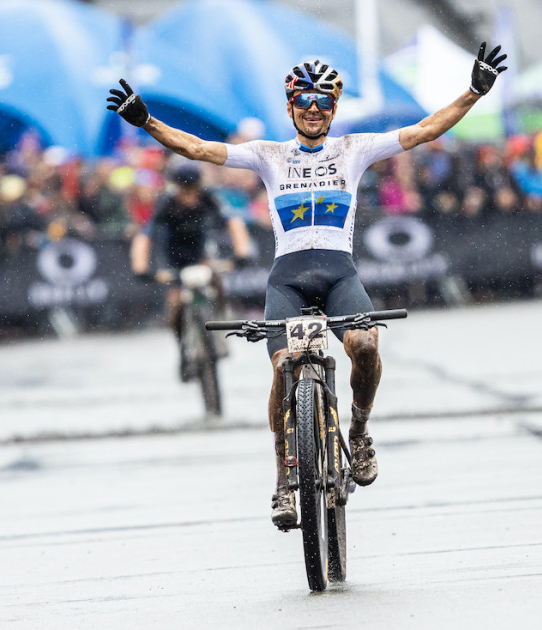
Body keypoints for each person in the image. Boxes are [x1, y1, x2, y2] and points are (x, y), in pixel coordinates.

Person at [108, 42, 507, 527]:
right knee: (282, 368)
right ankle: (282, 483)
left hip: (339, 274)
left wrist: (472, 93)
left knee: (363, 342)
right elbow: (197, 149)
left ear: (334, 108)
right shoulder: (267, 155)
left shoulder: (354, 149)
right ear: (291, 107)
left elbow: (424, 130)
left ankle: (357, 432)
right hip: (289, 280)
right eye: (304, 101)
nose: (314, 109)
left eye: (323, 101)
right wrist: (148, 122)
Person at [130, 162, 252, 380]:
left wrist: (242, 252)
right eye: (184, 190)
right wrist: (141, 268)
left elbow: (234, 222)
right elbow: (144, 236)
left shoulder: (208, 198)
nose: (189, 196)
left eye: (193, 189)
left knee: (215, 280)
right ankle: (183, 351)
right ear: (175, 187)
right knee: (176, 306)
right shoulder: (165, 204)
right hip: (174, 260)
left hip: (201, 254)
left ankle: (220, 329)